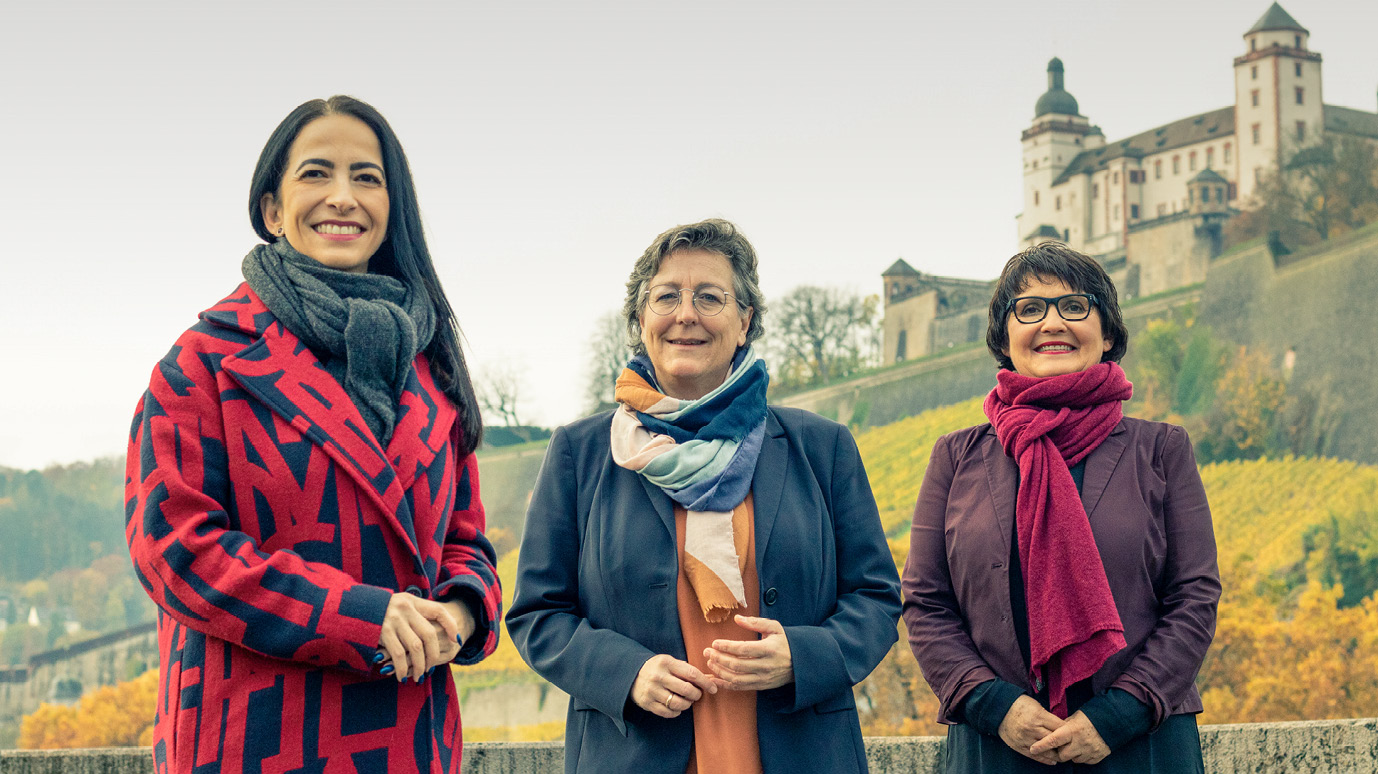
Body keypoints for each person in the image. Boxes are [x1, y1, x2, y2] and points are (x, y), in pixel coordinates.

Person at [125, 95, 501, 774]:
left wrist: (460, 613)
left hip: (409, 740)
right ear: (272, 209)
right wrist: (359, 618)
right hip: (251, 740)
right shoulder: (202, 364)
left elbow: (467, 542)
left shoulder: (432, 367)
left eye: (367, 177)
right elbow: (173, 549)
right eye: (315, 174)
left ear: (393, 208)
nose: (342, 196)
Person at [506, 219, 901, 774]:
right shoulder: (580, 454)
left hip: (802, 754)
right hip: (630, 754)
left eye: (709, 297)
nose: (686, 313)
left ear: (744, 323)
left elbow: (877, 599)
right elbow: (538, 613)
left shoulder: (822, 446)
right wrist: (626, 674)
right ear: (641, 321)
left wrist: (803, 657)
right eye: (667, 296)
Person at [902, 242, 1221, 772]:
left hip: (1139, 744)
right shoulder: (956, 457)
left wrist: (1119, 714)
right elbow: (926, 602)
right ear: (1004, 337)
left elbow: (1194, 596)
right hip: (997, 745)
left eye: (1075, 306)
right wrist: (993, 705)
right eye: (1029, 310)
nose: (1053, 323)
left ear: (1109, 332)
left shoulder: (1161, 449)